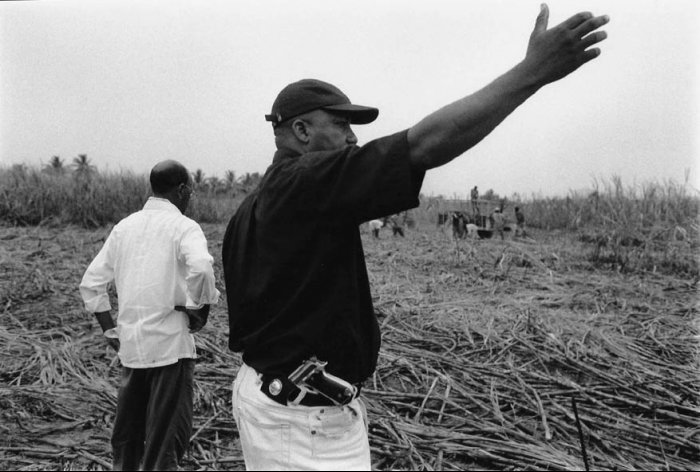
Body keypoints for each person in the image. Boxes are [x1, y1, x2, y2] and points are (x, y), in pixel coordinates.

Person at [222, 5, 608, 470]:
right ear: (301, 131)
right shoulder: (301, 183)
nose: (352, 139)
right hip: (302, 426)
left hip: (284, 406)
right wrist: (532, 73)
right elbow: (423, 144)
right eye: (341, 125)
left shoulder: (256, 205)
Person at [79, 160, 220, 471]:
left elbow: (91, 284)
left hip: (131, 350)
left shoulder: (124, 227)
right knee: (165, 442)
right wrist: (202, 309)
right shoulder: (184, 227)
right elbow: (202, 268)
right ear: (182, 190)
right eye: (191, 193)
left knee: (127, 440)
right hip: (170, 349)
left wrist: (109, 331)